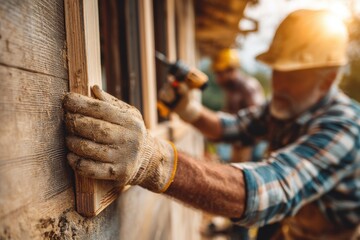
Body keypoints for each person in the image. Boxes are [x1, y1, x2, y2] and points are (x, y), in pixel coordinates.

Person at [63, 10, 360, 239]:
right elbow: (231, 127)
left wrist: (155, 162)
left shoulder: (345, 128)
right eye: (277, 70)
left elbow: (272, 188)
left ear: (329, 79)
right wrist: (190, 111)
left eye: (293, 75)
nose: (279, 82)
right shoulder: (289, 105)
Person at [211, 48, 266, 163]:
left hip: (253, 146)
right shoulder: (231, 90)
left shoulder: (248, 87)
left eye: (220, 73)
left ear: (231, 70)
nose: (218, 79)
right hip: (238, 141)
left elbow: (257, 123)